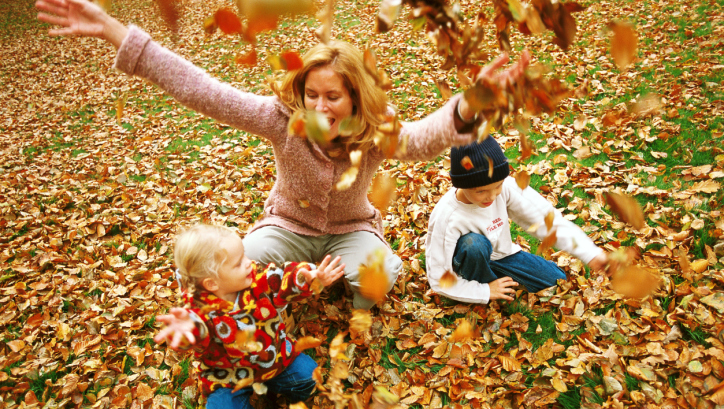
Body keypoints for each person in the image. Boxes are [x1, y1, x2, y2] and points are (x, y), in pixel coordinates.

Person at [36, 0, 529, 309]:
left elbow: (423, 138)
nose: (319, 106)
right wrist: (116, 31)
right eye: (311, 94)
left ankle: (349, 301)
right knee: (235, 269)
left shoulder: (374, 133)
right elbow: (201, 90)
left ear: (355, 97)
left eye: (332, 97)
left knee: (382, 274)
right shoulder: (280, 119)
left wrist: (471, 103)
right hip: (287, 227)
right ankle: (281, 295)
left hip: (351, 230)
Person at [153, 224, 344, 409]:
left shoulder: (257, 281)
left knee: (309, 376)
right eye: (238, 263)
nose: (248, 263)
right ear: (211, 283)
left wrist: (306, 278)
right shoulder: (198, 309)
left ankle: (285, 395)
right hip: (228, 376)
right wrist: (188, 331)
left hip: (275, 359)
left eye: (244, 255)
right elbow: (197, 329)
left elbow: (281, 278)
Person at [425, 136, 611, 304]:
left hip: (502, 255)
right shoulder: (448, 215)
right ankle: (480, 286)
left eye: (497, 186)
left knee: (555, 280)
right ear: (462, 185)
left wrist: (591, 254)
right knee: (473, 243)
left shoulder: (506, 188)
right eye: (480, 191)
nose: (491, 196)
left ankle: (494, 276)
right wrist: (485, 291)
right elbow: (438, 278)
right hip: (468, 260)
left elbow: (546, 220)